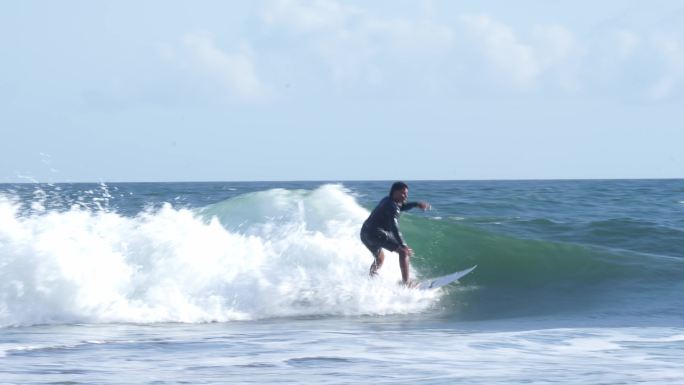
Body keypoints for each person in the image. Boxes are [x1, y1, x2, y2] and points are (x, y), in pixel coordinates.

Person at [360, 181, 430, 285]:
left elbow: (402, 207)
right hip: (377, 233)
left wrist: (416, 204)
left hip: (365, 234)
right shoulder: (393, 207)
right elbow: (394, 226)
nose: (405, 196)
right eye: (403, 193)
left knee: (380, 258)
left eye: (406, 193)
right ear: (394, 192)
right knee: (404, 252)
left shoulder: (387, 200)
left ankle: (371, 278)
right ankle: (406, 283)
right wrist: (403, 245)